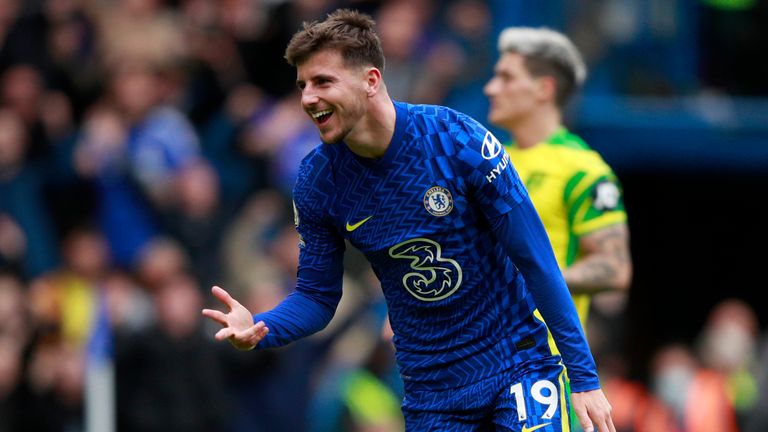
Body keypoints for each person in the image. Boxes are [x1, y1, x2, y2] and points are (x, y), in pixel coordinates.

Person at [203, 9, 615, 432]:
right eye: (302, 86)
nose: (308, 98)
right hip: (431, 390)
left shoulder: (457, 141)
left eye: (323, 82)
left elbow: (536, 259)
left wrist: (582, 377)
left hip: (516, 362)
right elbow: (316, 297)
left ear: (371, 81)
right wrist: (262, 326)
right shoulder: (317, 182)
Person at [483, 27, 632, 331]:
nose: (491, 88)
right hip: (481, 361)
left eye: (506, 77)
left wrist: (530, 279)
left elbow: (615, 269)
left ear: (544, 89)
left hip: (544, 366)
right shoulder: (490, 160)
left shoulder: (582, 168)